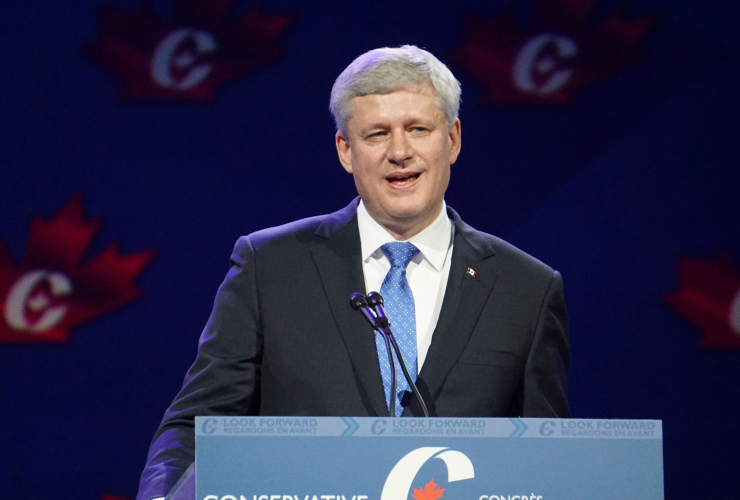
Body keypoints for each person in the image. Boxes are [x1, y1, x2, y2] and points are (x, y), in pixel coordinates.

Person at [136, 45, 570, 500]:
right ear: (346, 150)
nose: (400, 152)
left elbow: (547, 459)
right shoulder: (270, 266)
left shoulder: (527, 289)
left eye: (418, 129)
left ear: (453, 139)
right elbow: (196, 426)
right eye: (377, 134)